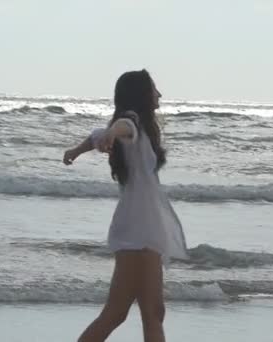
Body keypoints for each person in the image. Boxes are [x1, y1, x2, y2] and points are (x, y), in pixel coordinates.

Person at [63, 69, 188, 342]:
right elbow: (121, 126)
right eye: (154, 88)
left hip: (138, 230)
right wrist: (110, 133)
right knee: (132, 313)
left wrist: (76, 150)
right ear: (141, 94)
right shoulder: (132, 124)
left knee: (136, 313)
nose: (159, 94)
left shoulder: (138, 131)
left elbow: (100, 133)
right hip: (140, 232)